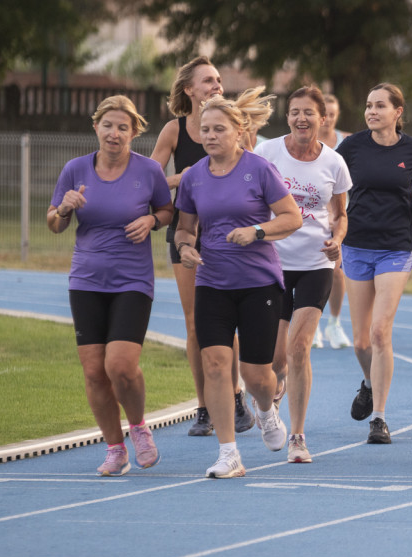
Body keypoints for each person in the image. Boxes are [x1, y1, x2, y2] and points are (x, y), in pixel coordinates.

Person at [174, 88, 303, 478]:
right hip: (212, 281)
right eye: (204, 129)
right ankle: (228, 453)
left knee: (256, 374)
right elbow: (184, 228)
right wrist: (185, 248)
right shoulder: (194, 177)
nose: (210, 135)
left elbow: (291, 217)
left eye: (218, 129)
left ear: (238, 131)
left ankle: (265, 409)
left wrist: (257, 232)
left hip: (258, 284)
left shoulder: (259, 169)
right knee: (214, 363)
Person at [47, 96, 173, 476]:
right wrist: (65, 208)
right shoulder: (75, 169)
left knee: (120, 365)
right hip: (86, 280)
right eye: (108, 126)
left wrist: (152, 222)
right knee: (93, 372)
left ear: (133, 132)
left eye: (122, 127)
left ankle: (138, 428)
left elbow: (167, 210)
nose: (114, 133)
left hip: (132, 280)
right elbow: (54, 223)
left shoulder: (149, 171)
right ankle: (115, 449)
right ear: (96, 128)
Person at [150, 56, 255, 437]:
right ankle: (203, 408)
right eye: (208, 81)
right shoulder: (174, 131)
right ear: (189, 90)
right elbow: (151, 180)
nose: (216, 86)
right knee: (195, 325)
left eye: (218, 80)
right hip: (186, 231)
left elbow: (250, 175)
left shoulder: (236, 128)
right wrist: (187, 177)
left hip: (227, 235)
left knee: (228, 322)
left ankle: (236, 394)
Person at [255, 86, 352, 464]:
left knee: (299, 350)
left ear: (323, 118)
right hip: (273, 262)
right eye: (295, 112)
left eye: (309, 113)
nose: (301, 119)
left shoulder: (334, 163)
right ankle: (271, 395)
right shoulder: (267, 154)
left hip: (316, 263)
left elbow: (340, 214)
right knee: (276, 359)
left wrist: (338, 239)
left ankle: (297, 436)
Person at [336, 83, 412, 444]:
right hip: (357, 245)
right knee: (361, 341)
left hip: (395, 247)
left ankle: (379, 418)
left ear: (398, 112)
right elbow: (332, 184)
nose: (371, 111)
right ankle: (369, 383)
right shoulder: (352, 147)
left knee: (380, 332)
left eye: (380, 105)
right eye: (368, 105)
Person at [315, 93, 353, 351]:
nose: (328, 119)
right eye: (324, 113)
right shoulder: (303, 140)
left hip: (338, 214)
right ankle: (312, 322)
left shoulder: (347, 142)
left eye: (333, 113)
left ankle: (335, 322)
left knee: (337, 271)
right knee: (303, 270)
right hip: (309, 215)